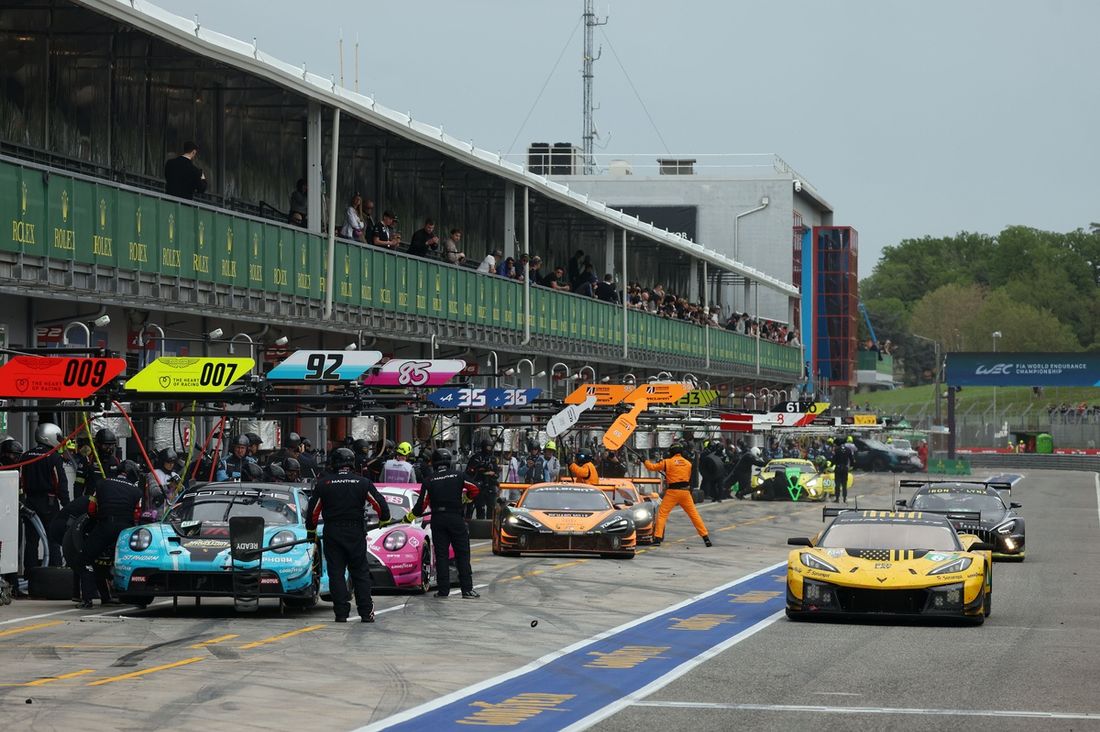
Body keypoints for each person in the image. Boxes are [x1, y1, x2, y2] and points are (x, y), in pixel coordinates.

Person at [306, 447, 390, 622]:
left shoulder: (324, 484)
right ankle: (366, 613)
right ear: (352, 463)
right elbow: (381, 506)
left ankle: (341, 613)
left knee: (336, 572)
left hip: (333, 531)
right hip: (355, 531)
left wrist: (311, 532)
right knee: (360, 572)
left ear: (334, 464)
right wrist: (384, 519)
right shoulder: (362, 482)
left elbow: (313, 512)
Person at [408, 448, 479, 598]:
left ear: (434, 463)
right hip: (455, 517)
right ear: (449, 462)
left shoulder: (429, 480)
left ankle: (443, 590)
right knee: (462, 554)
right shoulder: (458, 476)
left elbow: (421, 506)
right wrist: (467, 498)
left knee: (441, 556)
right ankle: (467, 589)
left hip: (438, 519)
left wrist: (410, 516)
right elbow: (475, 489)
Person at [78, 460, 144, 608]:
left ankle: (87, 600)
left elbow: (91, 509)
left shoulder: (102, 484)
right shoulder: (137, 491)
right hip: (125, 531)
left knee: (86, 559)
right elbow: (138, 516)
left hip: (105, 526)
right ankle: (132, 597)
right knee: (131, 561)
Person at [20, 424, 70, 571]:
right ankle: (54, 573)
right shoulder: (53, 457)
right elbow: (61, 483)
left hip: (29, 503)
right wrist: (66, 505)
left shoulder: (25, 456)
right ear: (49, 436)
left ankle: (30, 575)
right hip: (49, 503)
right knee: (53, 539)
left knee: (31, 541)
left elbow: (20, 480)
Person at [644, 444, 710, 547]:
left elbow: (651, 467)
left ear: (671, 452)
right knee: (694, 515)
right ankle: (706, 538)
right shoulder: (688, 463)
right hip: (685, 492)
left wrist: (644, 461)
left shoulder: (667, 462)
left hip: (673, 492)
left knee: (662, 514)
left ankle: (657, 539)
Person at [75, 428, 121, 497]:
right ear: (98, 445)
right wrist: (78, 503)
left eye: (111, 445)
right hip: (91, 501)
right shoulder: (88, 460)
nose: (109, 449)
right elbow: (79, 484)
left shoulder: (116, 461)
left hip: (110, 500)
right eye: (105, 446)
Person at [465, 440, 499, 519]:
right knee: (480, 508)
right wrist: (480, 469)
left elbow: (496, 473)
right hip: (479, 486)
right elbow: (469, 471)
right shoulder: (476, 457)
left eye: (490, 447)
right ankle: (479, 527)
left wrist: (492, 473)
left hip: (490, 485)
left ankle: (490, 526)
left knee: (491, 508)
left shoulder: (493, 459)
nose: (489, 449)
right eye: (488, 447)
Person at [831, 439, 852, 503]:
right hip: (845, 468)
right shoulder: (848, 450)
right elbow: (851, 459)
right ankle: (844, 498)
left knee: (837, 484)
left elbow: (834, 460)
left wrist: (831, 465)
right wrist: (851, 466)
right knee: (844, 484)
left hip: (838, 468)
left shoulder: (837, 450)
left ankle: (837, 498)